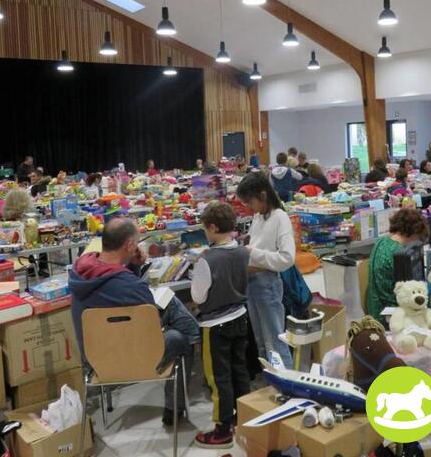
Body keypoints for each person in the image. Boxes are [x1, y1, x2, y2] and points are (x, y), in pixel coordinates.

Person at [69, 218, 199, 425]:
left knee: (177, 324)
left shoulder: (79, 271)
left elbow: (119, 295)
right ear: (130, 245)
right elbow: (151, 327)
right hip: (133, 358)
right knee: (182, 333)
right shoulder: (130, 285)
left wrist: (133, 268)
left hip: (95, 360)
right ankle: (175, 409)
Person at [192, 203, 251, 448]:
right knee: (240, 370)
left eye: (205, 228)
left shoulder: (207, 260)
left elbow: (198, 297)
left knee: (218, 377)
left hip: (215, 324)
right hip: (240, 316)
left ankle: (222, 428)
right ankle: (243, 418)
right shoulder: (243, 251)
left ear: (213, 227)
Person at [236, 173, 296, 369]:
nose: (248, 207)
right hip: (252, 283)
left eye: (249, 202)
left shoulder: (280, 218)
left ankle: (287, 384)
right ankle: (270, 385)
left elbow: (287, 258)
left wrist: (253, 252)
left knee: (276, 342)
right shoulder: (259, 216)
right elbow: (257, 246)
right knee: (261, 342)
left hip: (267, 284)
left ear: (262, 195)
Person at [367, 208, 429, 323]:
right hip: (389, 316)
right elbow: (407, 294)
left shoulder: (382, 242)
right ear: (414, 231)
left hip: (375, 308)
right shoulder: (400, 255)